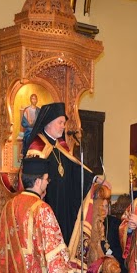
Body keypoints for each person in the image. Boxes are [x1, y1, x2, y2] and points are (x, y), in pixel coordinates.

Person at [25, 102, 98, 243]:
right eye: (60, 122)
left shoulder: (61, 146)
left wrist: (94, 179)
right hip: (47, 202)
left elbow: (75, 168)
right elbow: (32, 179)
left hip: (65, 202)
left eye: (64, 123)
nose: (63, 126)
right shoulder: (37, 145)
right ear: (48, 123)